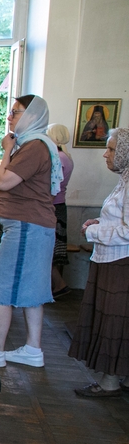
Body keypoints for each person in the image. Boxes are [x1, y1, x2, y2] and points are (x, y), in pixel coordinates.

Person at [0, 95, 64, 369]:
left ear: (33, 116)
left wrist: (6, 150)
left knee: (0, 289)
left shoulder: (33, 146)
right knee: (32, 292)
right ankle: (33, 349)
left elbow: (3, 182)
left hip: (25, 226)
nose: (9, 116)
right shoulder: (36, 144)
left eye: (16, 112)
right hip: (33, 226)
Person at [69, 128, 129, 397]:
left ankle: (110, 382)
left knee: (115, 322)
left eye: (112, 149)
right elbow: (120, 218)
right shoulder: (125, 179)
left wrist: (93, 231)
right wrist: (100, 221)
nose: (106, 154)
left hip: (120, 263)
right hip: (112, 260)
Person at [47, 123, 75, 297]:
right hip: (60, 205)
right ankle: (57, 285)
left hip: (52, 206)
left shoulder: (57, 158)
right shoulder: (67, 157)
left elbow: (52, 187)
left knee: (47, 250)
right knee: (51, 250)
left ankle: (59, 284)